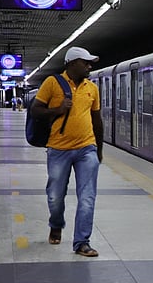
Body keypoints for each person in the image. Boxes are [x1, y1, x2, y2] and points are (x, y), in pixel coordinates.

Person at [30, 45, 104, 257]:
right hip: (58, 150)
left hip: (86, 149)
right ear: (72, 64)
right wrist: (58, 109)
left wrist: (98, 150)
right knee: (55, 197)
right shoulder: (52, 83)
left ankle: (82, 242)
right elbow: (35, 110)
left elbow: (96, 120)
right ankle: (56, 224)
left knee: (87, 197)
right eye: (85, 63)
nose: (89, 66)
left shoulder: (92, 88)